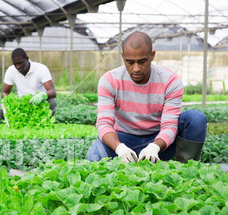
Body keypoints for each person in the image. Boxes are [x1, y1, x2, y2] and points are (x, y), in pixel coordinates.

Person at [87, 31, 207, 164]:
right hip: (124, 139)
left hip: (159, 140)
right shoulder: (109, 80)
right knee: (94, 155)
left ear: (152, 55)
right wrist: (119, 148)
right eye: (130, 62)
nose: (136, 68)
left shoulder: (170, 81)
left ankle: (186, 170)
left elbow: (169, 125)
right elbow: (104, 123)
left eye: (142, 61)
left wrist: (154, 147)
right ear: (123, 56)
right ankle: (128, 158)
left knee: (196, 118)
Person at [0, 48, 57, 119]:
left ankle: (43, 121)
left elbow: (53, 92)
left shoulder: (41, 69)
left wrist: (43, 95)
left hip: (39, 104)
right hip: (21, 105)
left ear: (27, 59)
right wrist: (14, 100)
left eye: (20, 63)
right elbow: (4, 93)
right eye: (15, 64)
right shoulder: (11, 71)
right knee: (0, 109)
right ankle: (17, 123)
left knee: (51, 103)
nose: (18, 67)